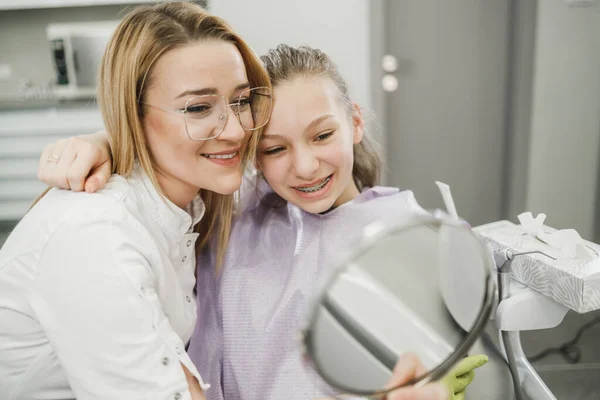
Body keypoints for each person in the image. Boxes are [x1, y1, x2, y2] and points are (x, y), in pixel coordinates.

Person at [36, 44, 487, 400]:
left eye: (323, 135)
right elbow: (174, 152)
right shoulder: (232, 210)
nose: (306, 167)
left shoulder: (408, 231)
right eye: (275, 149)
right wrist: (106, 142)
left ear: (354, 123)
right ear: (250, 151)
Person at [0, 2, 272, 399]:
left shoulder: (196, 203)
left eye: (241, 100)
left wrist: (106, 140)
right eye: (199, 107)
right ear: (134, 113)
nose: (234, 130)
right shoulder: (94, 235)